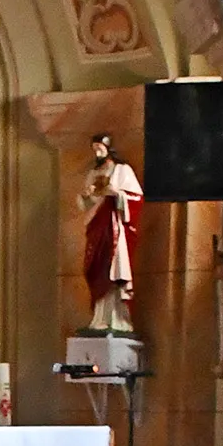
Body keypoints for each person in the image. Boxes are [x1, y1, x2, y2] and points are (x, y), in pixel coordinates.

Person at [80, 131, 145, 332]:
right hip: (97, 225)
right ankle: (99, 316)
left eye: (100, 148)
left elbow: (136, 198)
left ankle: (118, 318)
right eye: (94, 149)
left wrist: (117, 194)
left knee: (114, 268)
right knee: (97, 266)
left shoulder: (122, 170)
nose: (97, 152)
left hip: (115, 227)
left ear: (108, 148)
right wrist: (87, 195)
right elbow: (85, 203)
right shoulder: (93, 173)